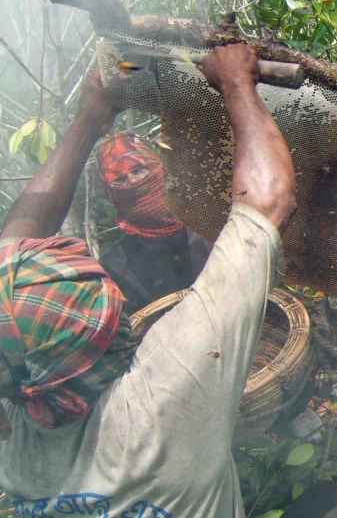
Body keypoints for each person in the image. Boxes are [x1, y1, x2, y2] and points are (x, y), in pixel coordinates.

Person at [0, 45, 302, 516]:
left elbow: (15, 247)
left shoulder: (17, 409)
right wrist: (237, 83)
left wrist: (91, 116)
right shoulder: (164, 402)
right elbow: (267, 200)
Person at [96, 132, 210, 315]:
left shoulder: (210, 225)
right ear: (111, 193)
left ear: (158, 167)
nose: (133, 182)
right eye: (120, 180)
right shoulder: (115, 264)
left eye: (138, 170)